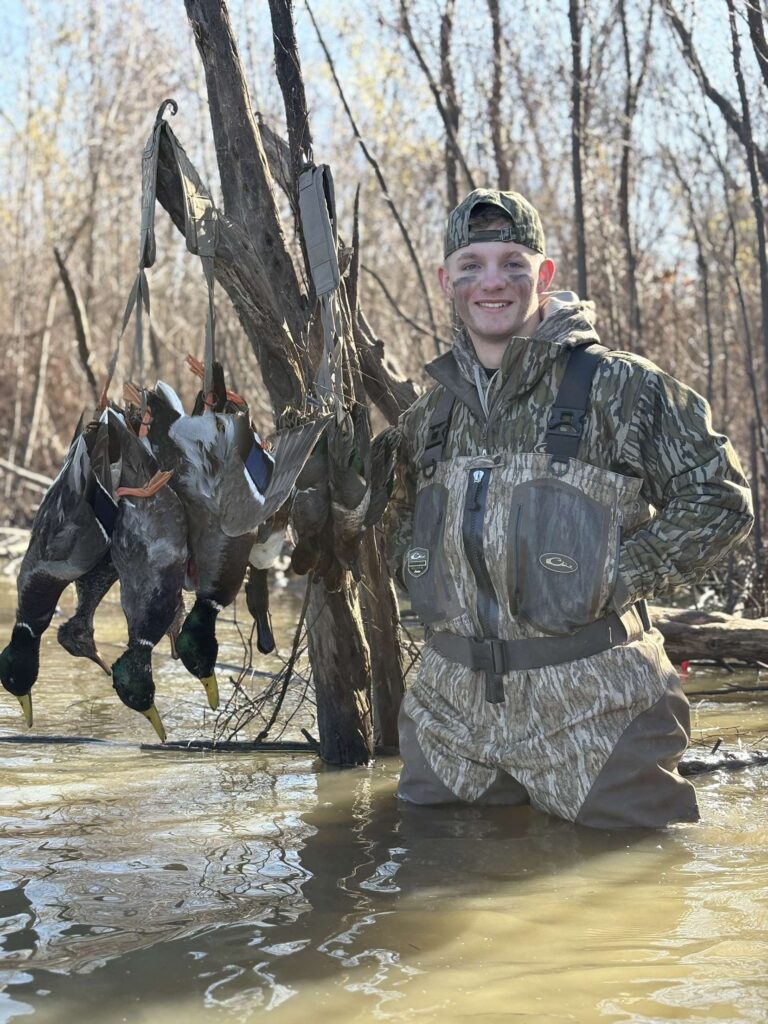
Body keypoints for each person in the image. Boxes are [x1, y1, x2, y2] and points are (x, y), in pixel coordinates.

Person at [384, 188, 754, 828]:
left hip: (596, 710)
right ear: (447, 280)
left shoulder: (622, 386)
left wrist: (615, 574)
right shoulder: (429, 415)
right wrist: (421, 574)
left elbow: (720, 500)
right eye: (471, 264)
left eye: (512, 263)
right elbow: (391, 522)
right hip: (449, 721)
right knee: (437, 886)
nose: (491, 282)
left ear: (544, 275)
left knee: (631, 899)